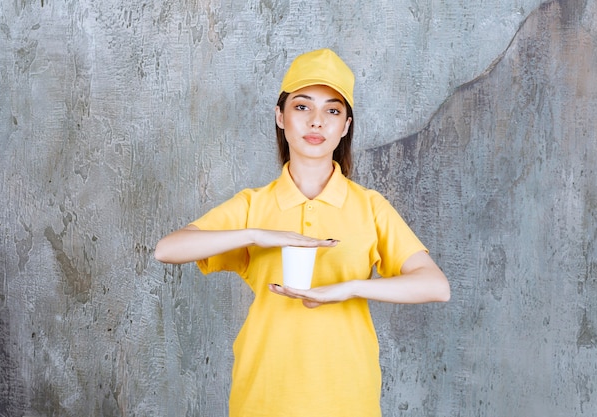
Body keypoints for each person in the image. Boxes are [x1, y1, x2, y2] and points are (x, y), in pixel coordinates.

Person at [154, 48, 450, 417]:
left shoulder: (370, 206)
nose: (316, 122)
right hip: (263, 396)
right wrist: (257, 235)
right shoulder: (253, 205)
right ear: (280, 116)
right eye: (302, 107)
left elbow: (436, 286)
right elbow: (168, 249)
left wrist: (351, 288)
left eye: (332, 110)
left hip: (348, 398)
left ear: (345, 126)